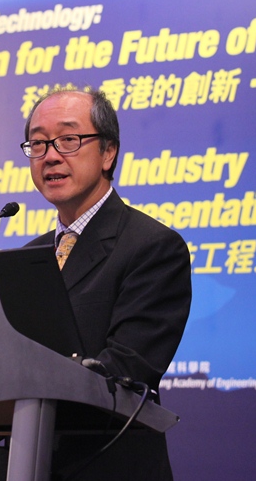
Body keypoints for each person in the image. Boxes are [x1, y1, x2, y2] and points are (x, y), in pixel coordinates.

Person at [21, 87, 192, 481]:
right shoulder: (30, 256)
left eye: (68, 139)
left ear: (108, 152)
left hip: (109, 465)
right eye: (38, 143)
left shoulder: (152, 246)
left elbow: (129, 367)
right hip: (30, 462)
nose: (50, 156)